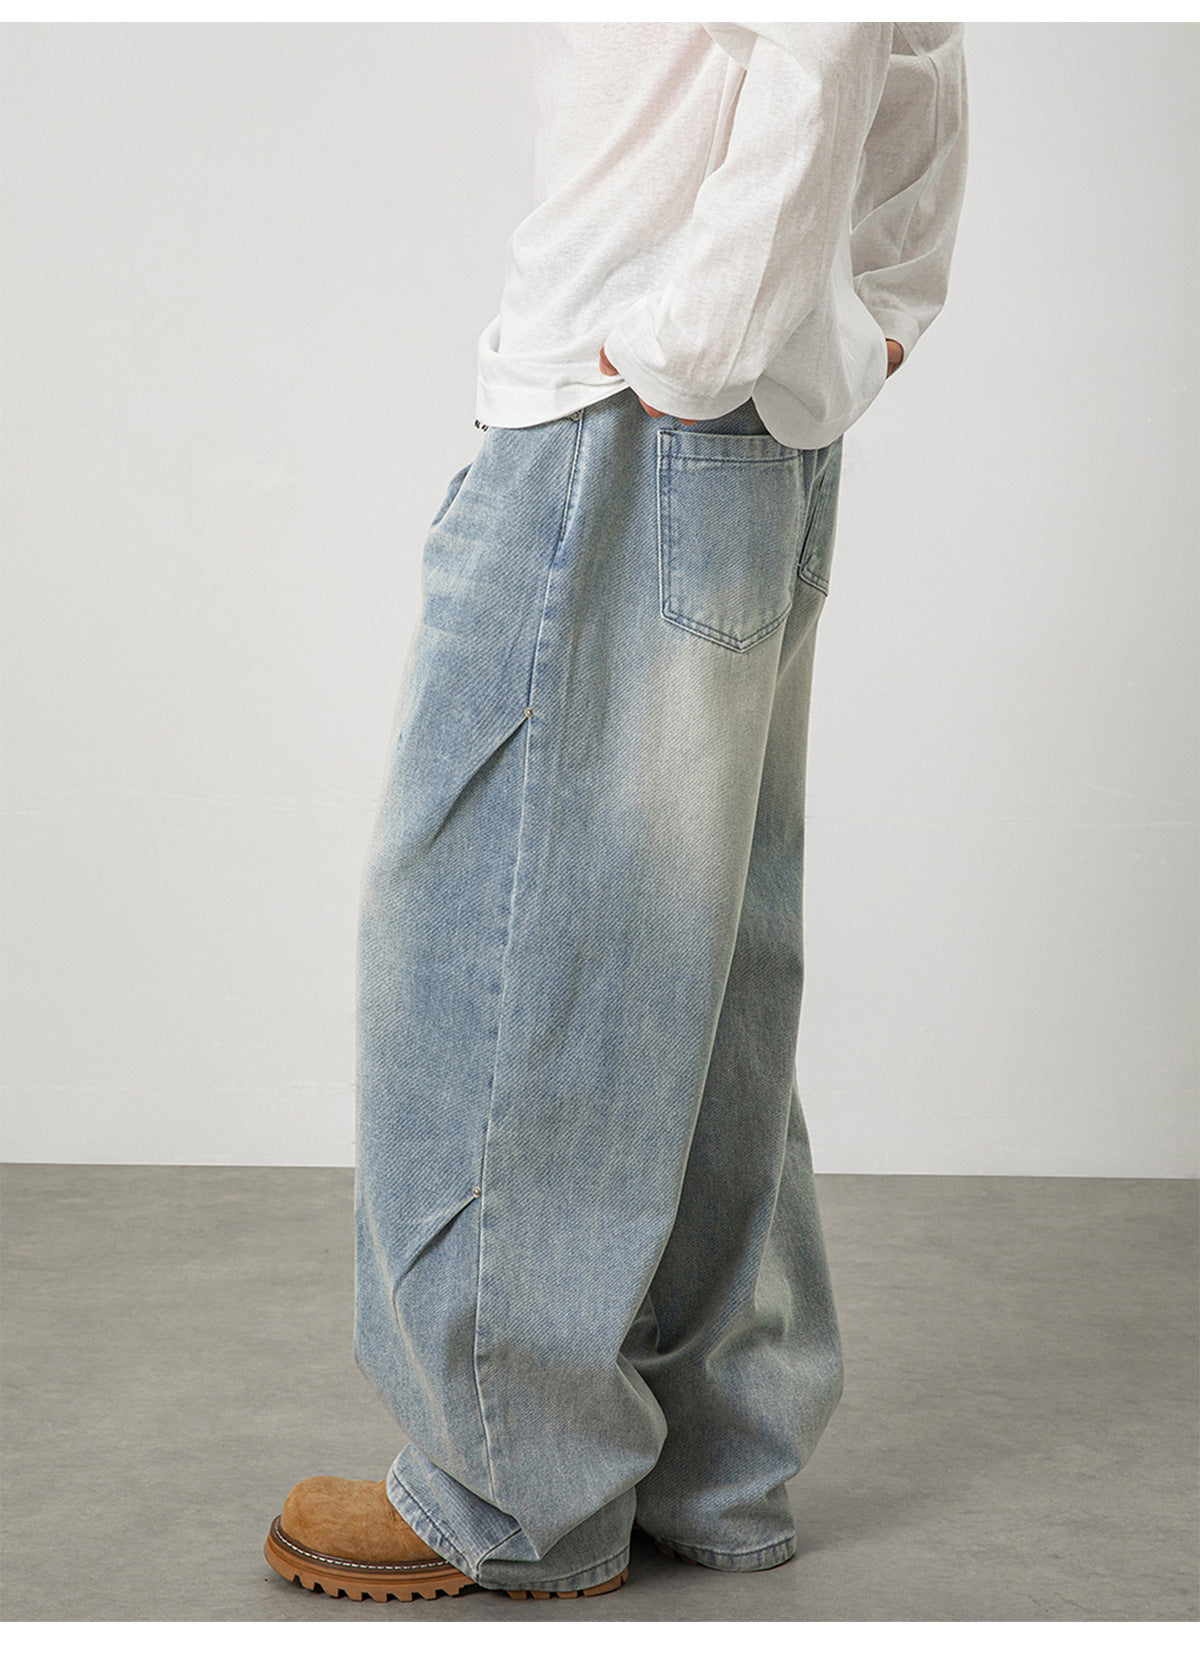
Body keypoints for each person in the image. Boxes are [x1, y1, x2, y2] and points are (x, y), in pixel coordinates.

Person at [264, 20, 968, 1604]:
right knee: (692, 963)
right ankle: (716, 1458)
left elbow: (830, 31)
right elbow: (906, 35)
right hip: (735, 423)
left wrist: (694, 341)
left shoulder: (662, 364)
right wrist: (880, 291)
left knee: (505, 941)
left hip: (624, 419)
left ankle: (516, 1482)